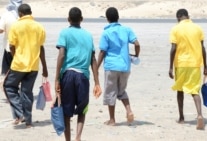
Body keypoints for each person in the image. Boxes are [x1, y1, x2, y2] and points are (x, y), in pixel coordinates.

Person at [54, 7, 102, 141]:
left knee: (66, 112)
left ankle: (68, 139)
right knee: (82, 109)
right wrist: (97, 82)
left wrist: (57, 78)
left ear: (68, 19)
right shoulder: (88, 35)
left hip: (68, 75)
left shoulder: (64, 33)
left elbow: (61, 55)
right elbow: (93, 59)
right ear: (81, 19)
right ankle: (78, 137)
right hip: (83, 76)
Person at [3, 3, 48, 128]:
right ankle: (28, 122)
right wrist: (44, 67)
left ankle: (20, 113)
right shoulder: (39, 26)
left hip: (19, 65)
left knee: (8, 86)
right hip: (34, 66)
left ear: (20, 14)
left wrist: (15, 57)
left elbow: (11, 46)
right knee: (27, 92)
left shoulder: (16, 26)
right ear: (31, 12)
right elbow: (41, 48)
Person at [97, 7, 140, 126]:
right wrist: (136, 55)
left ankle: (112, 119)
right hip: (125, 66)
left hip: (111, 66)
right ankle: (129, 111)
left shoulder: (106, 32)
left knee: (110, 92)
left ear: (107, 19)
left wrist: (96, 66)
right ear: (118, 17)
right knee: (121, 91)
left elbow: (102, 52)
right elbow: (136, 43)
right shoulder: (126, 30)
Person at [168, 8, 207, 130]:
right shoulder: (198, 28)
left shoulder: (175, 29)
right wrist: (206, 66)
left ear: (178, 17)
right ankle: (200, 115)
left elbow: (173, 48)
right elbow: (203, 48)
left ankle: (181, 117)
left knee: (180, 90)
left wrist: (170, 66)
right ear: (188, 16)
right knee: (194, 91)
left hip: (181, 64)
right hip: (195, 64)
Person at [0, 0, 22, 76]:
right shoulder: (24, 15)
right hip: (23, 49)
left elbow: (1, 30)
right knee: (19, 73)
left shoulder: (6, 15)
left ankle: (7, 87)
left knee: (6, 74)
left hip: (9, 48)